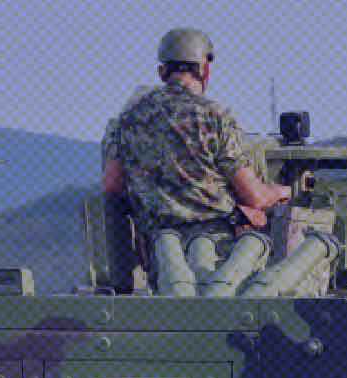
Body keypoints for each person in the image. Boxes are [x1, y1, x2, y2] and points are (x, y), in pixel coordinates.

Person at [100, 27, 291, 247]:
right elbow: (255, 197)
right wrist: (281, 191)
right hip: (218, 250)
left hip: (158, 250)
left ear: (162, 72)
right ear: (205, 70)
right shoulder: (216, 116)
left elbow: (112, 185)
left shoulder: (128, 118)